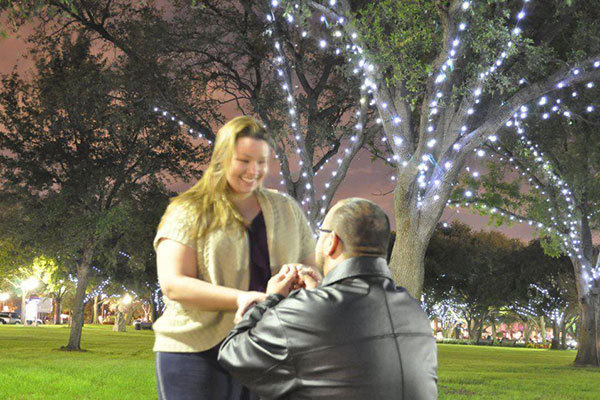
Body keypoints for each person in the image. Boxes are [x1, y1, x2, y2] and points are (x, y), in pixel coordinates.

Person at [153, 116, 316, 400]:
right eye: (244, 160)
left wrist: (307, 277)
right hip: (195, 352)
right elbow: (173, 284)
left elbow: (314, 266)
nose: (254, 171)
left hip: (267, 351)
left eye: (261, 162)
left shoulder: (287, 209)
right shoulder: (187, 210)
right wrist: (241, 298)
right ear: (223, 157)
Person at [219, 198, 438, 400]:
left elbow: (234, 353)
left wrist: (272, 298)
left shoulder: (307, 311)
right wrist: (321, 291)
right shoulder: (413, 310)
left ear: (331, 242)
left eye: (320, 233)